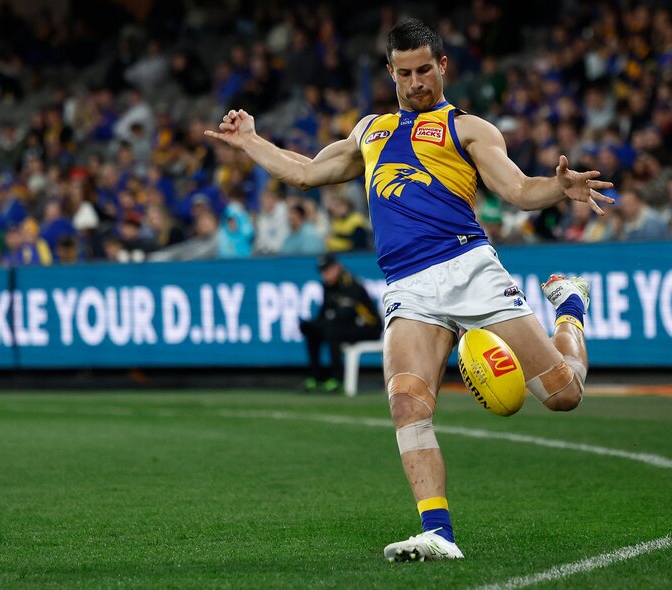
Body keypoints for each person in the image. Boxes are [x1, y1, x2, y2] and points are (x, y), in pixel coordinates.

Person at [206, 18, 614, 562]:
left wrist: (558, 189)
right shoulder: (370, 131)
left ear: (442, 66)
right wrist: (251, 141)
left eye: (424, 70)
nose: (416, 82)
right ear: (390, 73)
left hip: (468, 269)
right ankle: (438, 533)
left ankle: (571, 308)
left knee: (563, 395)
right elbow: (305, 172)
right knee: (406, 404)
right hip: (407, 286)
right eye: (404, 73)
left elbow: (518, 189)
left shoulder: (468, 129)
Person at [299, 254, 382, 393]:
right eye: (322, 271)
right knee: (311, 330)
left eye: (327, 270)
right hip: (346, 325)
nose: (325, 274)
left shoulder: (350, 284)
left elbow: (345, 315)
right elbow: (324, 312)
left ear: (337, 268)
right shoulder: (328, 286)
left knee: (333, 331)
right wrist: (313, 326)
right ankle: (316, 376)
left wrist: (324, 324)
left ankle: (337, 378)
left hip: (369, 327)